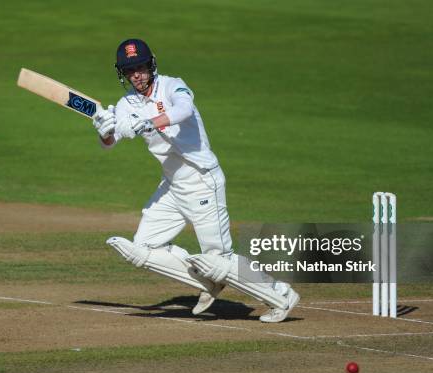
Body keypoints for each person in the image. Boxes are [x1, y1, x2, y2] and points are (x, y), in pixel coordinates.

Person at [91, 38, 299, 322]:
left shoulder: (172, 85)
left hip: (202, 180)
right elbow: (111, 140)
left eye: (140, 67)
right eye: (129, 70)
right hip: (172, 186)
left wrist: (152, 121)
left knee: (218, 259)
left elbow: (184, 110)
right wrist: (105, 129)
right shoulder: (127, 103)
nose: (136, 75)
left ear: (150, 65)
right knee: (143, 249)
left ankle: (280, 296)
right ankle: (206, 282)